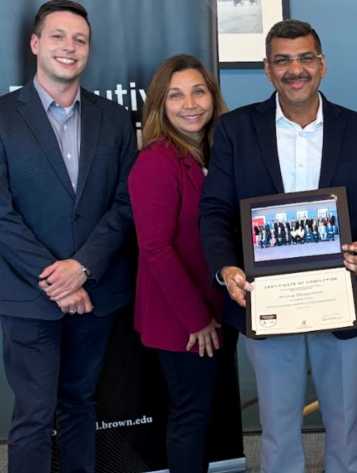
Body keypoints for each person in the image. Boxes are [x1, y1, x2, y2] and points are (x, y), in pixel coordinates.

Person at [199, 19, 357, 473]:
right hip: (267, 299)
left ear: (322, 64)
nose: (295, 69)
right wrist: (226, 269)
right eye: (282, 60)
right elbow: (214, 213)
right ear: (267, 69)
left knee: (345, 425)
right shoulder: (234, 130)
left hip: (341, 300)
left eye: (305, 58)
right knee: (279, 428)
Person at [0, 0, 136, 473]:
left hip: (96, 292)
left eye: (80, 40)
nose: (70, 47)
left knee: (81, 404)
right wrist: (57, 281)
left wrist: (81, 270)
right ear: (36, 44)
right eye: (59, 36)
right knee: (34, 415)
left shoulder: (115, 119)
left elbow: (124, 205)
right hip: (29, 296)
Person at [128, 54, 229, 473]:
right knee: (190, 416)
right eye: (176, 95)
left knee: (204, 414)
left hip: (218, 309)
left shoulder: (216, 152)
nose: (190, 104)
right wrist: (197, 320)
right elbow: (155, 248)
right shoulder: (156, 160)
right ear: (160, 105)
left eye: (198, 91)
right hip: (183, 321)